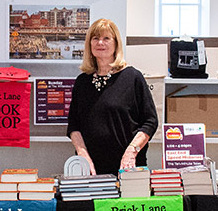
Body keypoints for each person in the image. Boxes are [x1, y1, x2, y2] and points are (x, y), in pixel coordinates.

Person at [67, 18, 158, 174]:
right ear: (89, 44)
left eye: (106, 38)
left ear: (116, 44)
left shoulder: (133, 77)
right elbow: (74, 126)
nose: (100, 43)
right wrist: (83, 155)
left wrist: (132, 152)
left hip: (127, 167)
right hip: (90, 170)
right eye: (95, 38)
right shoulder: (82, 81)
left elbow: (150, 121)